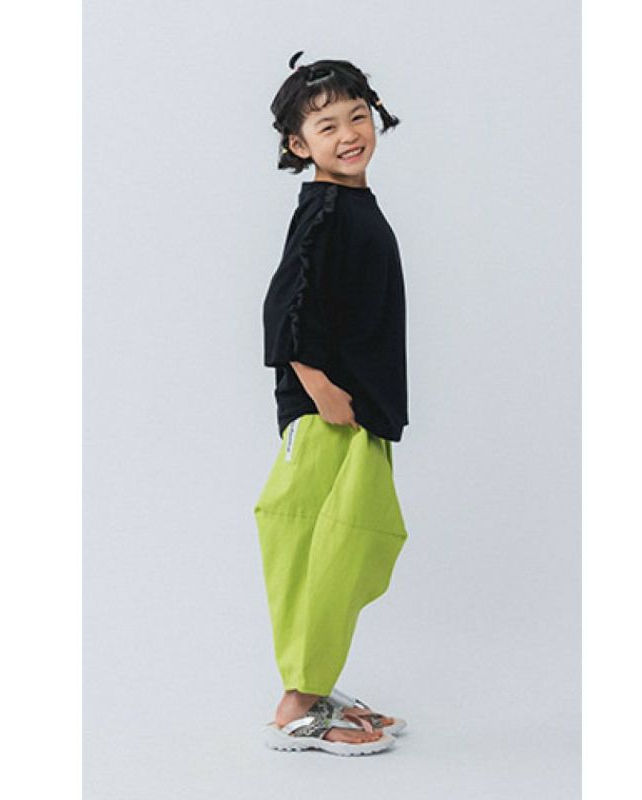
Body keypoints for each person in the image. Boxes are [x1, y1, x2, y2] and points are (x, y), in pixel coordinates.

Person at [254, 50, 411, 757]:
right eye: (327, 126)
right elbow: (285, 303)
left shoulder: (349, 204)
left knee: (348, 548)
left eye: (358, 116)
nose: (349, 134)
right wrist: (319, 388)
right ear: (299, 145)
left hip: (357, 408)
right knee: (325, 548)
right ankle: (298, 705)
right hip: (331, 413)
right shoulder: (323, 208)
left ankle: (312, 686)